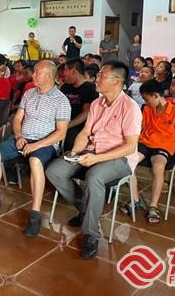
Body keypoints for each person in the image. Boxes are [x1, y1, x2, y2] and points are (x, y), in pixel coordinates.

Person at [46, 60, 142, 259]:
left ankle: (91, 234)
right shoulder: (97, 103)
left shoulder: (130, 107)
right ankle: (86, 209)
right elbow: (85, 132)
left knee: (94, 176)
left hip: (119, 158)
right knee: (54, 171)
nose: (96, 79)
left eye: (101, 76)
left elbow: (130, 146)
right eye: (97, 75)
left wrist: (97, 158)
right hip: (91, 151)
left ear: (116, 81)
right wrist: (75, 152)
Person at [0, 61, 70, 238]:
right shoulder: (29, 93)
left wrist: (37, 145)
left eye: (38, 73)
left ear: (50, 76)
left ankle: (35, 213)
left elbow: (61, 133)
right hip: (23, 138)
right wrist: (18, 136)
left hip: (45, 143)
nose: (33, 75)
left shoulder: (61, 100)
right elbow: (17, 119)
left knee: (35, 161)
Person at [123, 80, 175, 224]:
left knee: (158, 166)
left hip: (164, 146)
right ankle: (135, 200)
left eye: (146, 99)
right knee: (128, 162)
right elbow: (141, 127)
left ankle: (153, 205)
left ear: (155, 96)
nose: (145, 102)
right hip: (145, 143)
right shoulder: (148, 109)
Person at [60, 58, 98, 151]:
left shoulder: (90, 88)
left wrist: (67, 125)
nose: (63, 73)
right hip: (62, 121)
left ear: (73, 70)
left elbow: (85, 114)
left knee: (69, 141)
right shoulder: (65, 86)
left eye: (65, 70)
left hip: (79, 125)